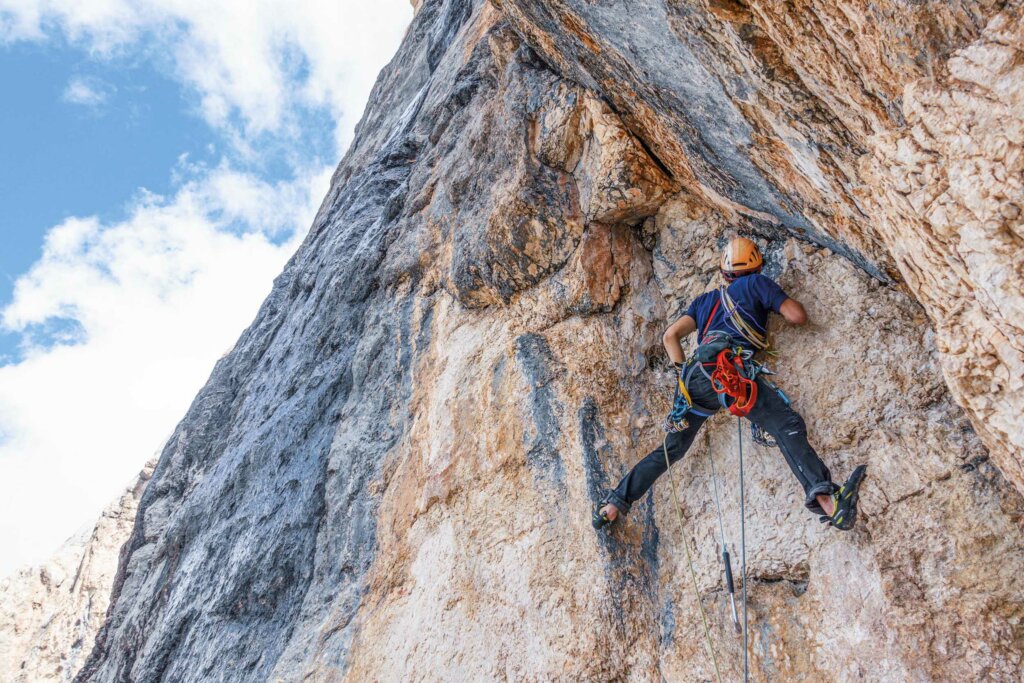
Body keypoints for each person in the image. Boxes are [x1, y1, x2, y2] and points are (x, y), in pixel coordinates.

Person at [594, 237, 866, 531]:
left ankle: (614, 504)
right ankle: (829, 503)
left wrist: (682, 374)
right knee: (786, 424)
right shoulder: (757, 284)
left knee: (670, 450)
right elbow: (796, 316)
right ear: (757, 266)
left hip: (694, 381)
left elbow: (670, 336)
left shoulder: (704, 301)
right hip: (730, 376)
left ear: (724, 273)